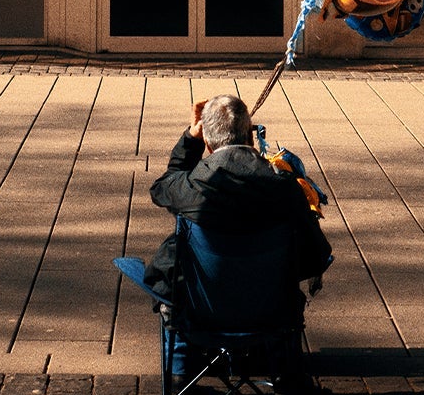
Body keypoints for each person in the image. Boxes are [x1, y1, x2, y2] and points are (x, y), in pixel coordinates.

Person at [137, 94, 333, 312]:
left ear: (208, 144)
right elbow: (317, 255)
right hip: (269, 312)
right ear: (249, 137)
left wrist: (191, 139)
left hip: (201, 311)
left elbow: (162, 188)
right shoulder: (286, 190)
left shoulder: (192, 187)